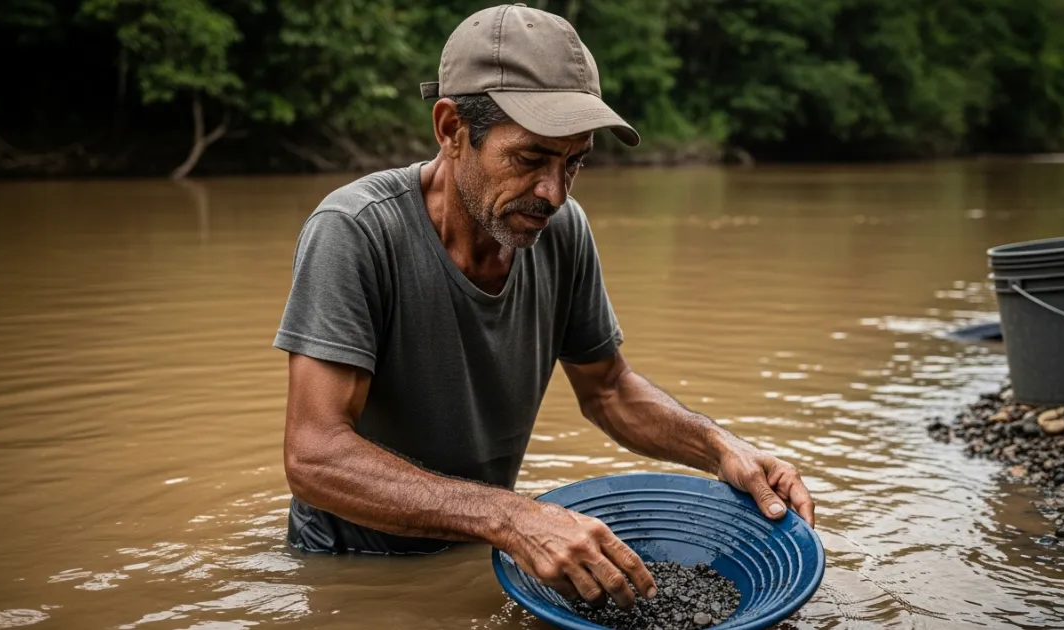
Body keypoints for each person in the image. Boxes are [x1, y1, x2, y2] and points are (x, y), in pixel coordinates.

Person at [273, 2, 815, 612]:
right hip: (350, 570)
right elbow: (314, 455)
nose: (553, 193)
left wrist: (720, 448)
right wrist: (512, 518)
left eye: (574, 161)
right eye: (530, 158)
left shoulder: (560, 230)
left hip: (482, 543)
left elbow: (608, 389)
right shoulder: (355, 231)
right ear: (451, 130)